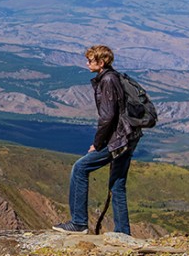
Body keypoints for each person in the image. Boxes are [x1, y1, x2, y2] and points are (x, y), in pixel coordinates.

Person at [53, 45, 141, 235]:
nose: (87, 63)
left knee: (80, 168)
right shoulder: (114, 77)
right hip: (129, 137)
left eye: (90, 60)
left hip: (117, 139)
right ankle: (122, 233)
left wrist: (98, 144)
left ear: (101, 63)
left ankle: (78, 222)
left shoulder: (108, 80)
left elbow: (107, 117)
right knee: (117, 184)